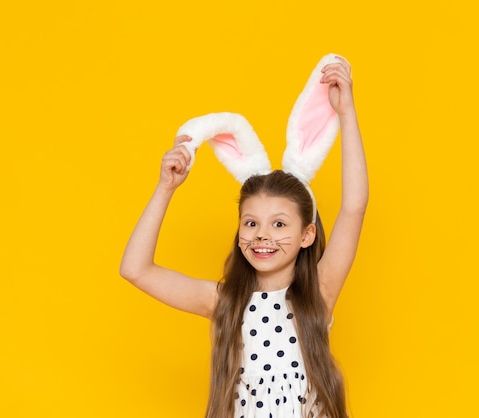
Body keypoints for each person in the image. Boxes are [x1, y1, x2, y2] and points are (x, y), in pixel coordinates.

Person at [120, 56, 368, 418]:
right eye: (251, 223)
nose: (262, 235)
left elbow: (355, 206)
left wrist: (346, 113)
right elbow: (135, 269)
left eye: (279, 224)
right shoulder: (223, 301)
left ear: (307, 234)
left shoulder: (320, 293)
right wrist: (165, 188)